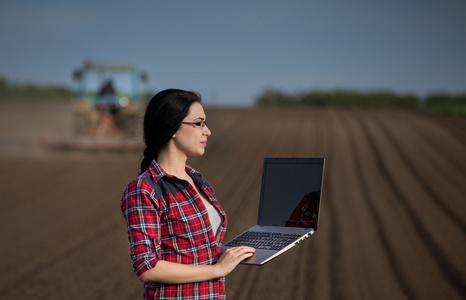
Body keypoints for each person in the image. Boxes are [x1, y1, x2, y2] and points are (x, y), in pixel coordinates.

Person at [121, 89, 255, 299]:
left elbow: (193, 248)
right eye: (198, 123)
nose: (207, 131)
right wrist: (218, 269)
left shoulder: (197, 179)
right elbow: (147, 267)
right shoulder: (144, 189)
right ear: (173, 128)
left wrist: (231, 253)